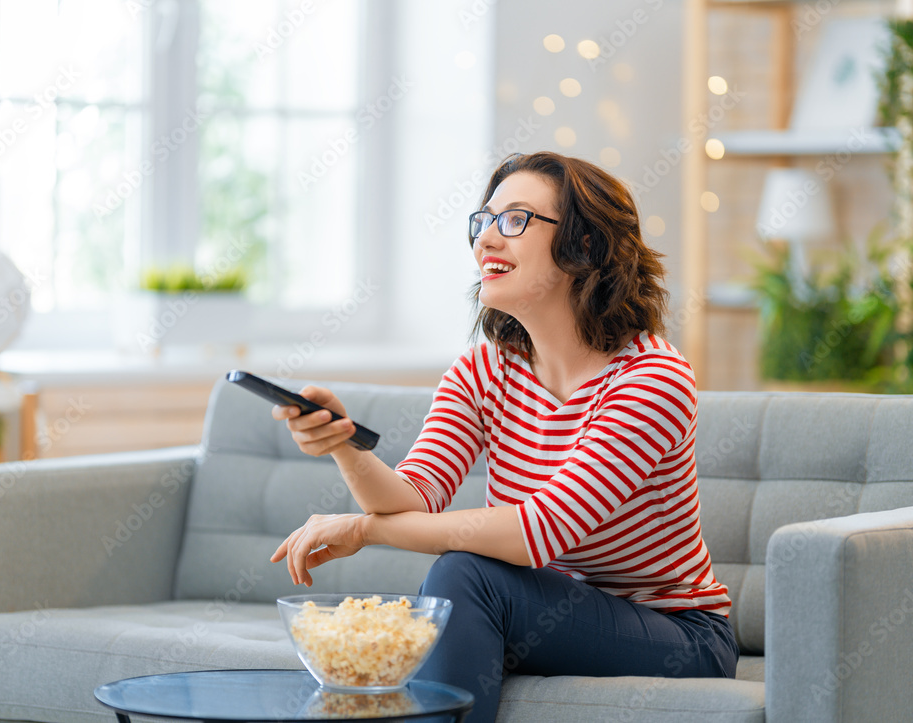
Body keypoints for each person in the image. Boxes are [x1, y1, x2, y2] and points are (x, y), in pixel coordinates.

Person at [270, 151, 739, 722]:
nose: (486, 240)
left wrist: (365, 530)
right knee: (457, 585)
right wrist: (344, 445)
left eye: (515, 220)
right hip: (546, 610)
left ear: (584, 246)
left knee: (465, 575)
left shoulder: (652, 378)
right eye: (484, 220)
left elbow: (537, 534)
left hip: (678, 634)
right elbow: (415, 493)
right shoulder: (484, 370)